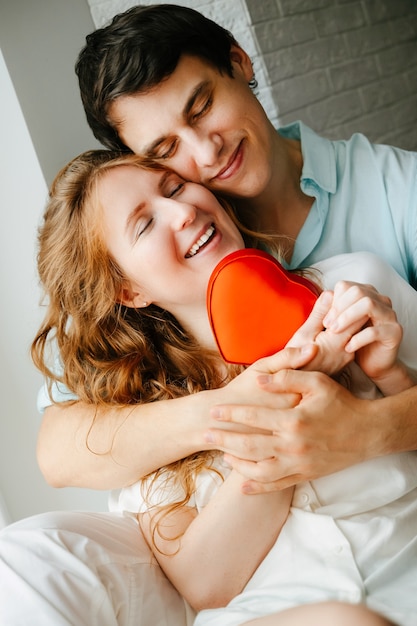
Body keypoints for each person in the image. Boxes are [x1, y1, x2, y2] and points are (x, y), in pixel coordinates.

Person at [36, 3, 417, 499]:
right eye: (165, 150)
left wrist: (369, 431)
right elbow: (59, 452)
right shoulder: (173, 254)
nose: (206, 152)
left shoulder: (399, 189)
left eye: (201, 107)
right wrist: (234, 406)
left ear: (239, 63)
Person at [28, 150, 417, 625]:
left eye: (174, 188)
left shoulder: (358, 288)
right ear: (129, 291)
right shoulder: (143, 417)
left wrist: (389, 374)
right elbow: (205, 583)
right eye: (145, 224)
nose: (183, 211)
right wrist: (294, 387)